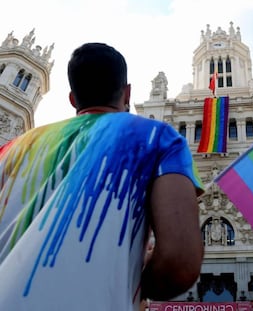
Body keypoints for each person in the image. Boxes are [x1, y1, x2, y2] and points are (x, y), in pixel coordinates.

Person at [0, 43, 204, 310]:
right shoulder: (158, 138)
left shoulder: (9, 150)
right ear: (127, 93)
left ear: (72, 98)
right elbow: (180, 263)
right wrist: (132, 280)